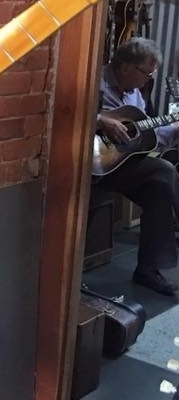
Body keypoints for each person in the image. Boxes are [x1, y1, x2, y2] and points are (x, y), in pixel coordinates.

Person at [93, 37, 179, 296]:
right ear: (125, 66)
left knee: (160, 184)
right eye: (146, 72)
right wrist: (100, 119)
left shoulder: (135, 95)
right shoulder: (94, 81)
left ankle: (148, 269)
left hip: (119, 165)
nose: (149, 78)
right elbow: (70, 111)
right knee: (163, 172)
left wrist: (173, 130)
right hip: (87, 163)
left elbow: (143, 136)